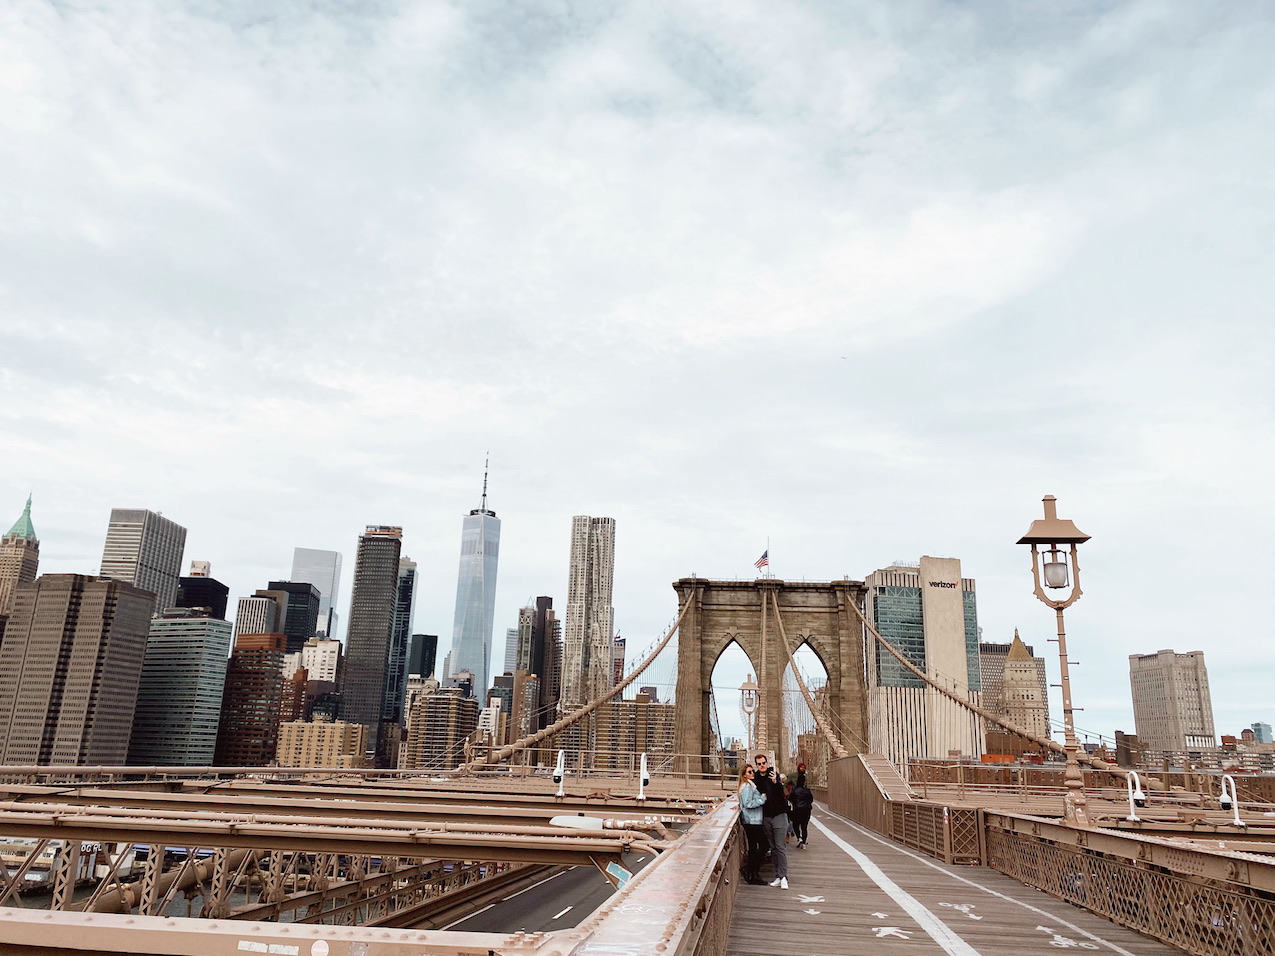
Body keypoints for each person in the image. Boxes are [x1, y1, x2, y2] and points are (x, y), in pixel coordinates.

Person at [753, 752, 789, 889]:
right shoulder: (755, 778)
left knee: (780, 847)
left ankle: (784, 876)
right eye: (759, 764)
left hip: (779, 815)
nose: (762, 766)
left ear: (767, 763)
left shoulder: (774, 775)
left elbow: (781, 792)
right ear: (757, 765)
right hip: (766, 816)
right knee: (773, 847)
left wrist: (776, 782)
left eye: (764, 763)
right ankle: (778, 876)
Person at [736, 764, 768, 885]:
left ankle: (752, 875)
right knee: (765, 845)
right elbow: (749, 804)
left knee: (753, 847)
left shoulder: (746, 786)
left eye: (752, 771)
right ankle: (749, 869)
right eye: (749, 772)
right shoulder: (747, 786)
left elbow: (744, 803)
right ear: (744, 775)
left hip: (749, 820)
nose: (752, 773)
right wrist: (762, 799)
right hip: (752, 821)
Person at [790, 771, 813, 848]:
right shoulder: (807, 791)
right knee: (804, 826)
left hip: (797, 810)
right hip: (806, 810)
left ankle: (799, 838)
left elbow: (790, 799)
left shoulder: (794, 791)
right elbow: (811, 799)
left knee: (795, 825)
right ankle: (804, 841)